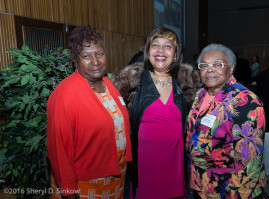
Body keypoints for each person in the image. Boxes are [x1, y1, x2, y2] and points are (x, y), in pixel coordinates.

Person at [111, 27, 201, 199]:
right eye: (155, 45)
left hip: (175, 171)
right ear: (148, 51)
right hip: (144, 173)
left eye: (167, 46)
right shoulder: (129, 83)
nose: (160, 50)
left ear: (175, 54)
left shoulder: (188, 83)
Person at [46, 25, 132, 199]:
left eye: (99, 54)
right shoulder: (65, 93)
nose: (95, 61)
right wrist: (68, 190)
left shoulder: (108, 84)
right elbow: (58, 147)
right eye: (86, 56)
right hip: (87, 182)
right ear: (75, 60)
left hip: (115, 175)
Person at [186, 44, 267, 199]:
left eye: (218, 64)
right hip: (202, 184)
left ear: (230, 69)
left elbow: (248, 161)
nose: (209, 69)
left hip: (229, 190)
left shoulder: (245, 101)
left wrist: (235, 195)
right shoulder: (201, 94)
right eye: (204, 65)